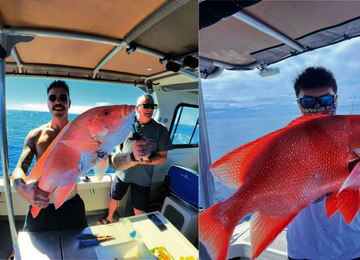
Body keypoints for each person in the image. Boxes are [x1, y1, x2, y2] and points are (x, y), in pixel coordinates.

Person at [287, 67, 360, 260]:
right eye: (309, 101)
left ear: (335, 101)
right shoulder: (286, 144)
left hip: (351, 248)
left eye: (326, 100)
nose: (318, 107)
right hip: (302, 251)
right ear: (299, 104)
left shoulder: (355, 135)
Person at [97, 94, 173, 224]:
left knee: (139, 209)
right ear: (137, 108)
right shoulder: (126, 125)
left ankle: (139, 230)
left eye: (152, 106)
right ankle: (109, 218)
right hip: (122, 173)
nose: (150, 109)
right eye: (146, 106)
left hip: (142, 178)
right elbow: (118, 145)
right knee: (114, 197)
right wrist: (120, 157)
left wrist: (142, 161)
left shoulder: (161, 130)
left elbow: (162, 158)